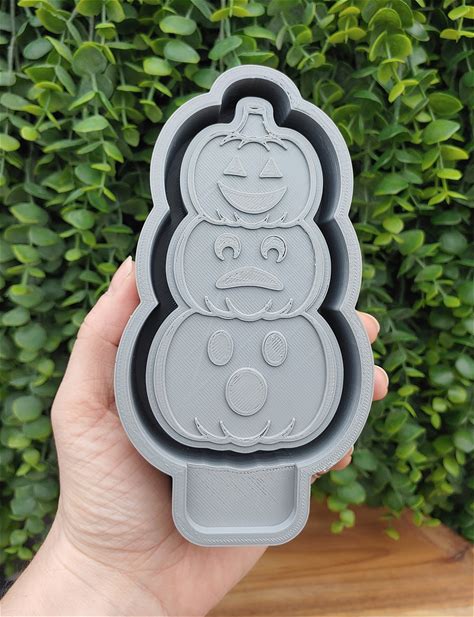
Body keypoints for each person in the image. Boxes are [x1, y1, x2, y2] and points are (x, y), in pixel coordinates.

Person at [2, 257, 388, 616]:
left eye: (274, 252)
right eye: (224, 251)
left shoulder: (304, 327)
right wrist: (101, 566)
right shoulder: (185, 327)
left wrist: (100, 573)